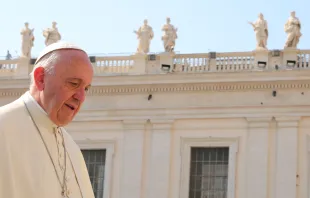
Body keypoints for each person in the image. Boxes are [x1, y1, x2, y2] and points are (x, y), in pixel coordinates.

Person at [0, 41, 95, 198]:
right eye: (73, 84)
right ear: (41, 79)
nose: (81, 97)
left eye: (85, 88)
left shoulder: (72, 148)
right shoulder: (3, 127)